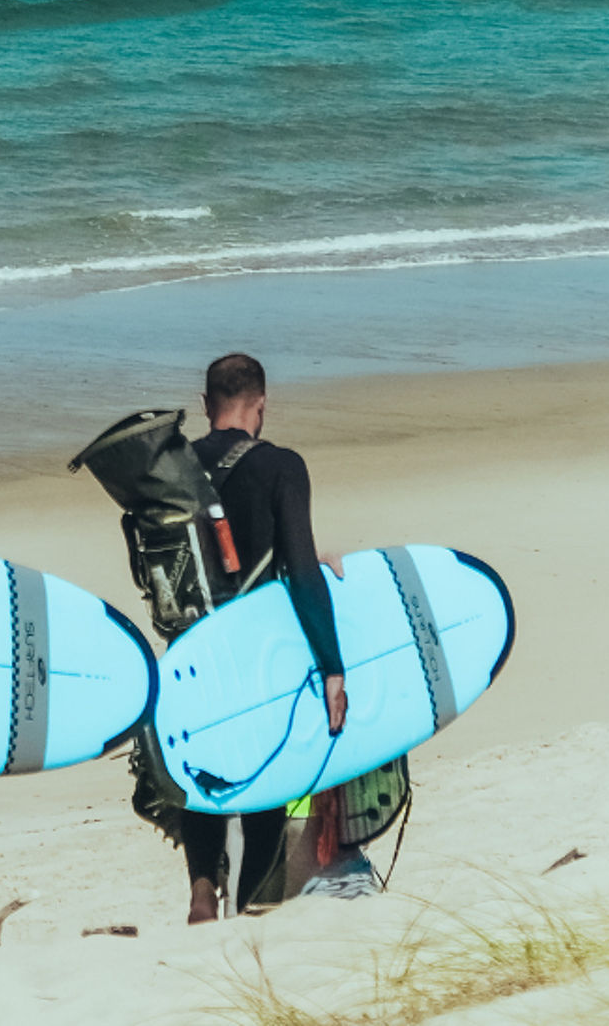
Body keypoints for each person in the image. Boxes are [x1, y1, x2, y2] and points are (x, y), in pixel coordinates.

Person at [176, 353, 348, 922]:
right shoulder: (281, 466)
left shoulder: (172, 469)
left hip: (190, 650)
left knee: (203, 774)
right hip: (255, 653)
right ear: (262, 404)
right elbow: (299, 571)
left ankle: (203, 888)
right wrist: (332, 667)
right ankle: (249, 903)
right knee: (265, 784)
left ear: (206, 405)